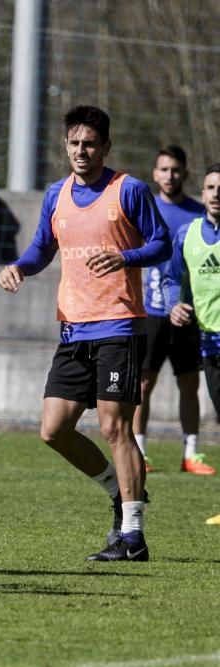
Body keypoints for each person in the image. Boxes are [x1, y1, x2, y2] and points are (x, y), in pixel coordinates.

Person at [0, 105, 171, 562]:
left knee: (116, 427)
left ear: (106, 147)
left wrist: (125, 258)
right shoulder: (57, 194)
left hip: (118, 325)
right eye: (74, 142)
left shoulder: (127, 190)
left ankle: (133, 536)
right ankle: (119, 490)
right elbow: (41, 247)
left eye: (90, 143)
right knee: (53, 430)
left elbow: (161, 243)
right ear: (65, 145)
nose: (81, 150)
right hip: (74, 329)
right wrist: (18, 267)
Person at [134, 146, 212, 475]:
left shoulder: (199, 213)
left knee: (189, 383)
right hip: (151, 311)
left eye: (176, 170)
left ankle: (190, 453)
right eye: (163, 170)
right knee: (143, 384)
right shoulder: (143, 210)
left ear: (186, 174)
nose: (169, 176)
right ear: (155, 174)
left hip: (188, 313)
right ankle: (139, 452)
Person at [163, 165, 220, 487]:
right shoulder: (187, 234)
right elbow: (172, 277)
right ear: (203, 194)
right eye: (211, 187)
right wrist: (174, 305)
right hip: (210, 342)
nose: (217, 194)